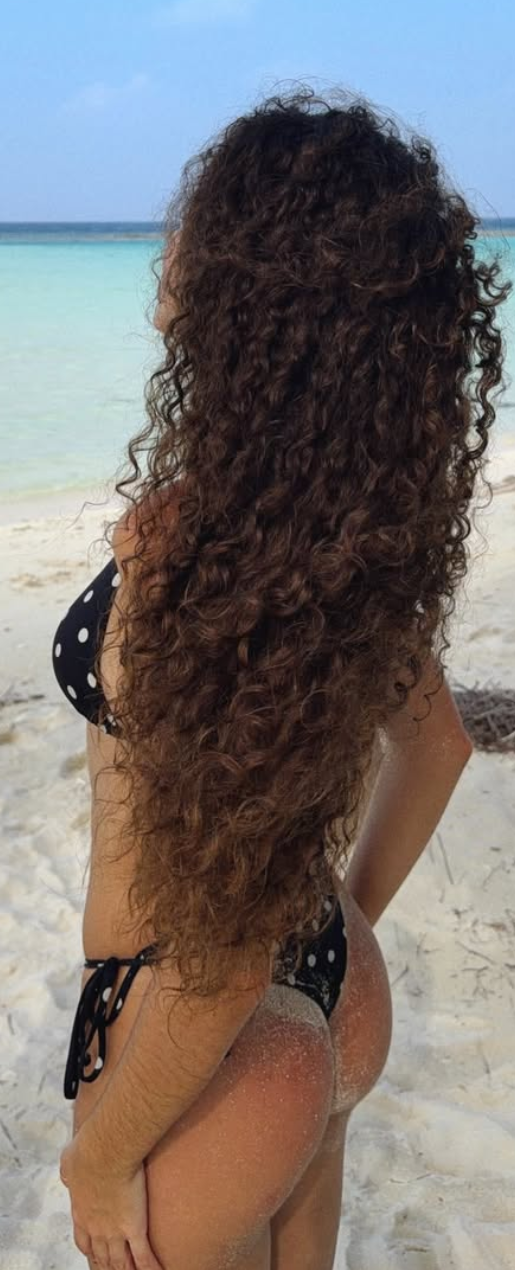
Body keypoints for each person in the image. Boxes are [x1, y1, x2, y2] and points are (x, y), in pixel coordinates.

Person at [55, 85, 511, 1270]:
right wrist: (345, 915)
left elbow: (218, 961)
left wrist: (98, 1159)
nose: (169, 242)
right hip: (332, 975)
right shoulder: (331, 539)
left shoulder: (187, 564)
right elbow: (439, 747)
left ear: (245, 293)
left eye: (195, 222)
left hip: (195, 1028)